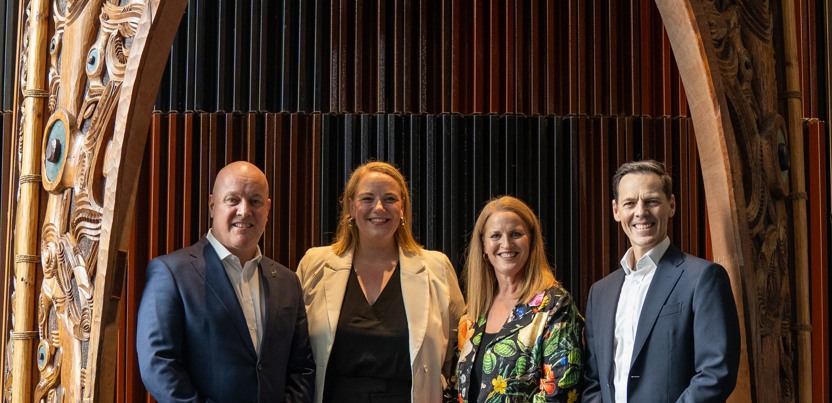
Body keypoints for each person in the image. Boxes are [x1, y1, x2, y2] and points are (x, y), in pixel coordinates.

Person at [137, 161, 315, 402]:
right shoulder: (171, 273)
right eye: (233, 200)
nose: (244, 211)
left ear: (268, 209)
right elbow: (158, 364)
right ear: (212, 205)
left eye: (255, 201)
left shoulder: (288, 281)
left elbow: (302, 367)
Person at [296, 160, 465, 403]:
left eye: (389, 199)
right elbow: (295, 353)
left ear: (402, 208)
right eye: (367, 199)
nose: (378, 207)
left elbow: (456, 354)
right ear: (351, 208)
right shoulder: (315, 264)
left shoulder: (436, 268)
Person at [582, 160, 741, 402]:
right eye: (629, 203)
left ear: (671, 205)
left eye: (652, 201)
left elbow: (716, 372)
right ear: (616, 211)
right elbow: (593, 380)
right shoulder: (600, 293)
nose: (640, 212)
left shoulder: (703, 278)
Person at [454, 196, 584, 402]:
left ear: (531, 241)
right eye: (495, 235)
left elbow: (561, 389)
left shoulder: (555, 305)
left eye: (516, 234)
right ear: (484, 246)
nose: (506, 244)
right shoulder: (472, 313)